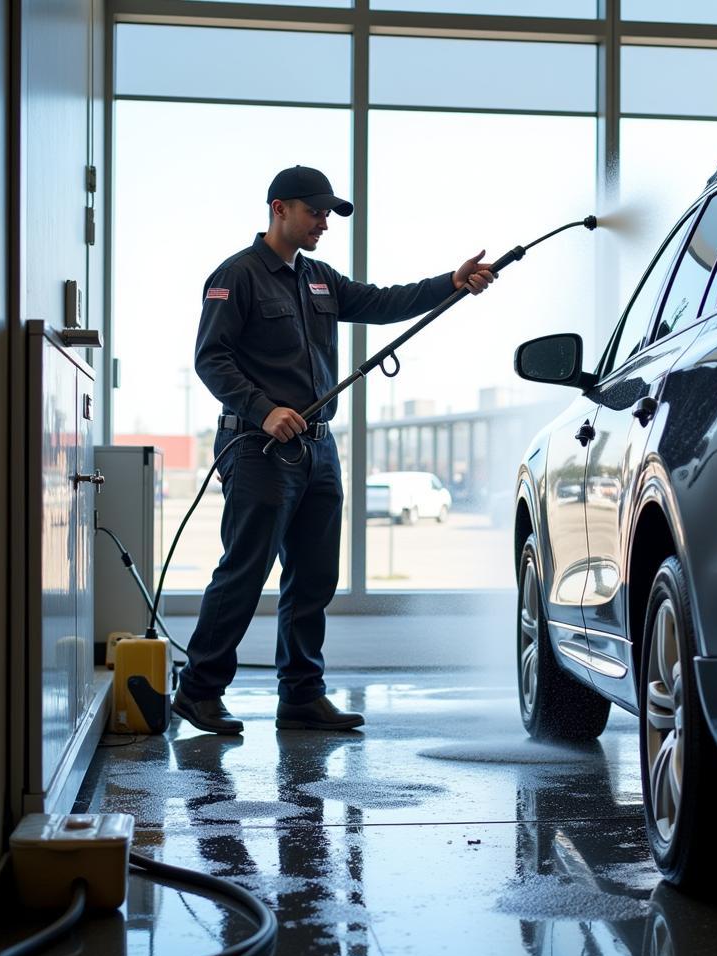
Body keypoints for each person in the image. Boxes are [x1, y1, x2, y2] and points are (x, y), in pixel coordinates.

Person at [173, 165, 495, 735]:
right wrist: (263, 409)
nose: (324, 222)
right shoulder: (237, 276)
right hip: (258, 448)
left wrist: (452, 282)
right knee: (245, 572)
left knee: (314, 577)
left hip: (319, 450)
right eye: (315, 212)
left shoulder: (318, 278)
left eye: (328, 213)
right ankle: (199, 692)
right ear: (279, 209)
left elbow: (381, 301)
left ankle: (301, 696)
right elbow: (211, 358)